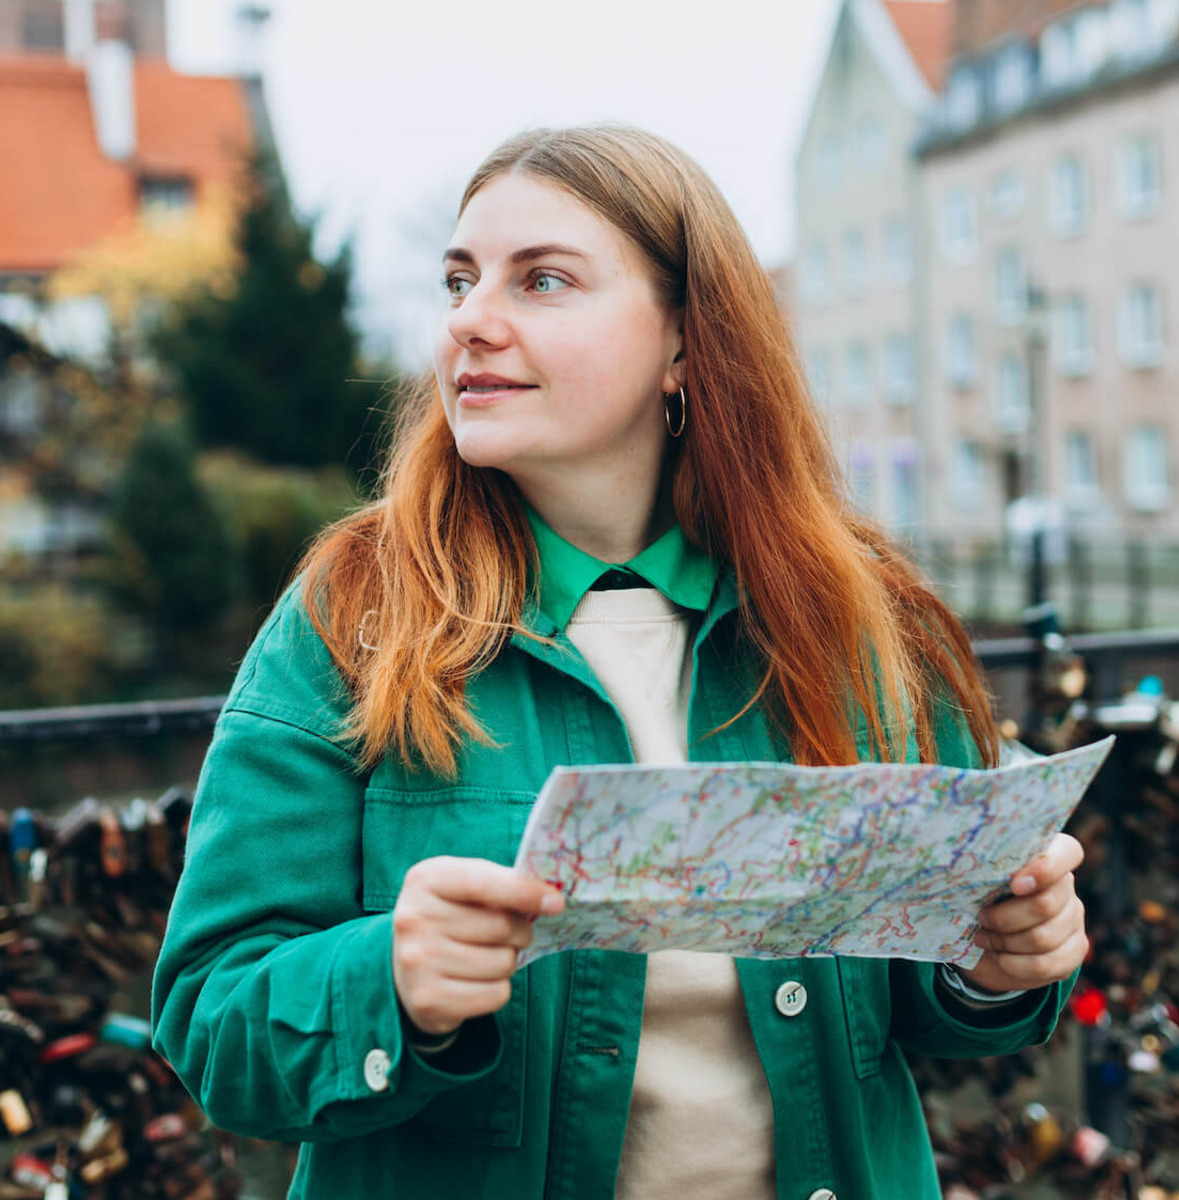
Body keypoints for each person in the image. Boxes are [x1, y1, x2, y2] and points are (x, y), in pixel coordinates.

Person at [150, 125, 1087, 1200]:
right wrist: (391, 982)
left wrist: (997, 965)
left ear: (684, 341)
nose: (471, 322)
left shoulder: (858, 616)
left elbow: (926, 1005)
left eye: (541, 280)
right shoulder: (357, 613)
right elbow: (211, 1023)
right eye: (459, 281)